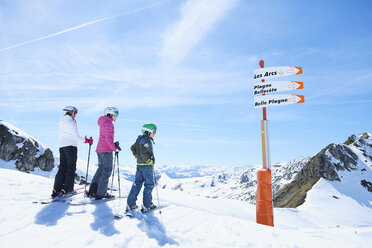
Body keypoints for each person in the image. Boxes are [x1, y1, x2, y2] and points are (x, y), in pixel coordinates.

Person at [52, 106, 93, 198]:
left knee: (62, 168)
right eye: (75, 112)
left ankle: (56, 189)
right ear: (70, 112)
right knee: (71, 168)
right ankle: (68, 189)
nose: (75, 115)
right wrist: (87, 140)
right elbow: (76, 137)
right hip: (71, 147)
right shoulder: (71, 122)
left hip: (62, 146)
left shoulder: (61, 121)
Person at [87, 107, 119, 200]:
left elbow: (106, 137)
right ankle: (101, 193)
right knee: (107, 170)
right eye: (116, 114)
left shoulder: (103, 122)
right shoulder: (109, 123)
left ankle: (93, 190)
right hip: (106, 150)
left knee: (101, 169)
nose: (117, 116)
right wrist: (114, 148)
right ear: (110, 114)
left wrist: (113, 145)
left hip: (100, 149)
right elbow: (108, 138)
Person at [127, 123, 157, 211]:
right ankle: (147, 205)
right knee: (149, 185)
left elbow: (132, 148)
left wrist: (137, 156)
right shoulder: (147, 141)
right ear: (148, 132)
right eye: (154, 131)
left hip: (139, 165)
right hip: (147, 166)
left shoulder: (139, 139)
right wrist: (149, 161)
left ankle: (131, 204)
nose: (155, 133)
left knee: (137, 184)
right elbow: (144, 153)